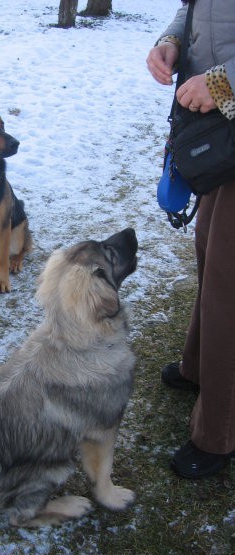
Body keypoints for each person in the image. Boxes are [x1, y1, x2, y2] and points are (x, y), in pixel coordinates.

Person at [146, 0, 235, 479]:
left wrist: (223, 82)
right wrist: (171, 42)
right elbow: (194, 7)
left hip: (226, 105)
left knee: (230, 279)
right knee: (211, 252)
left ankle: (220, 432)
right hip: (222, 125)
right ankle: (201, 366)